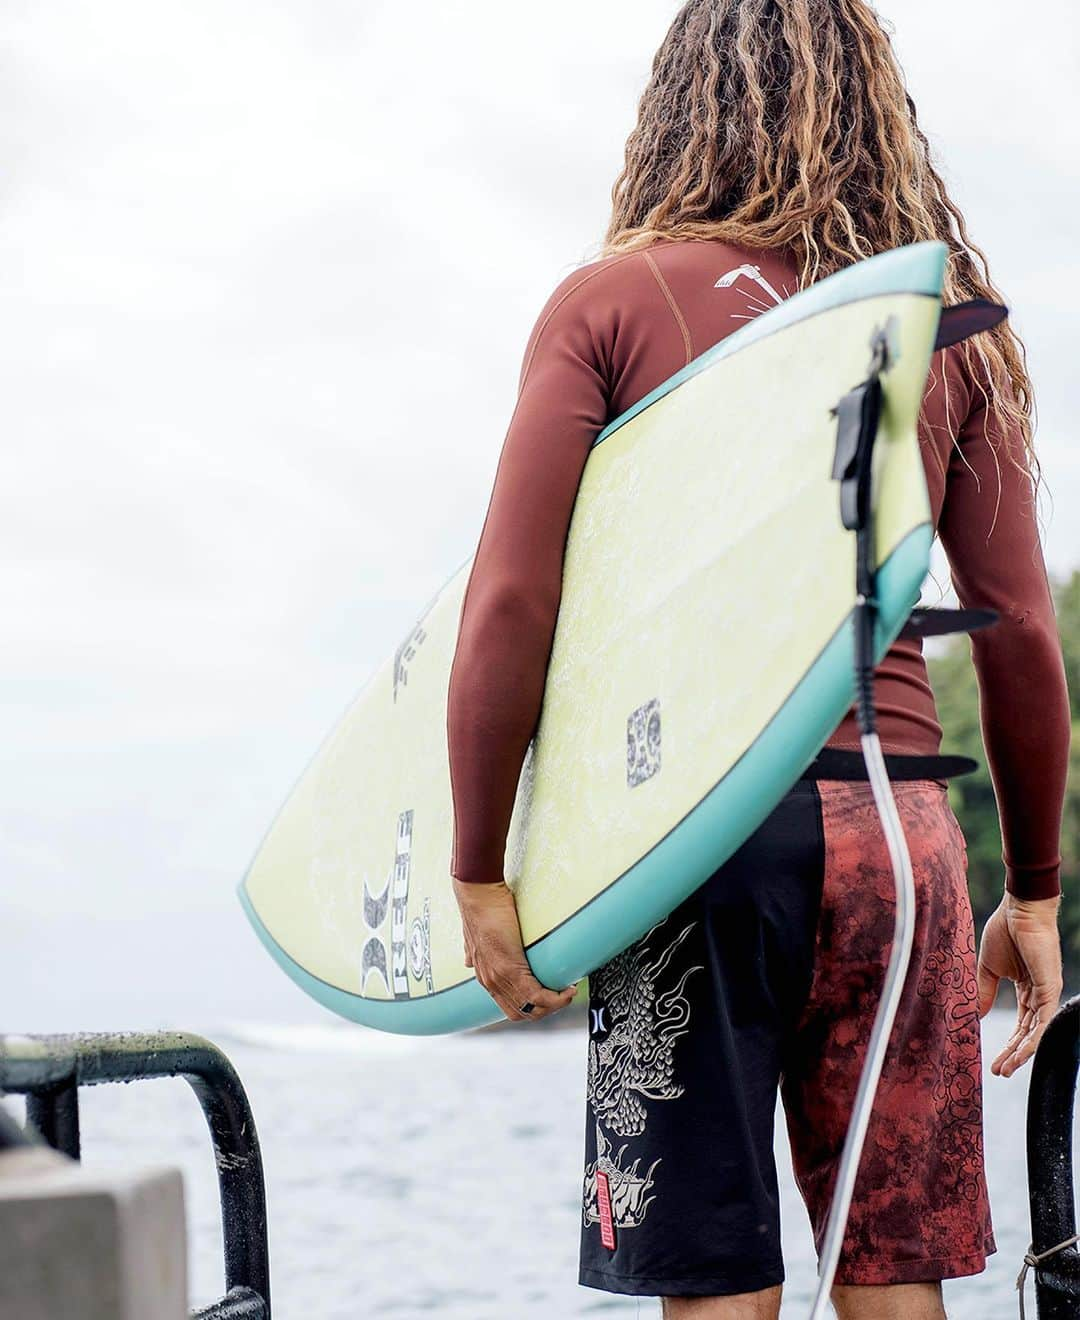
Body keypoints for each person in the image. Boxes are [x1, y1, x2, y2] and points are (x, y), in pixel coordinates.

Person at [446, 2, 1069, 1316]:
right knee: (893, 1274)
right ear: (872, 108)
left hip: (694, 838)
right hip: (904, 837)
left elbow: (512, 601)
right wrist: (1032, 893)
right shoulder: (952, 321)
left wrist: (479, 870)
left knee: (716, 1286)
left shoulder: (612, 303)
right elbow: (1016, 635)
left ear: (679, 104)